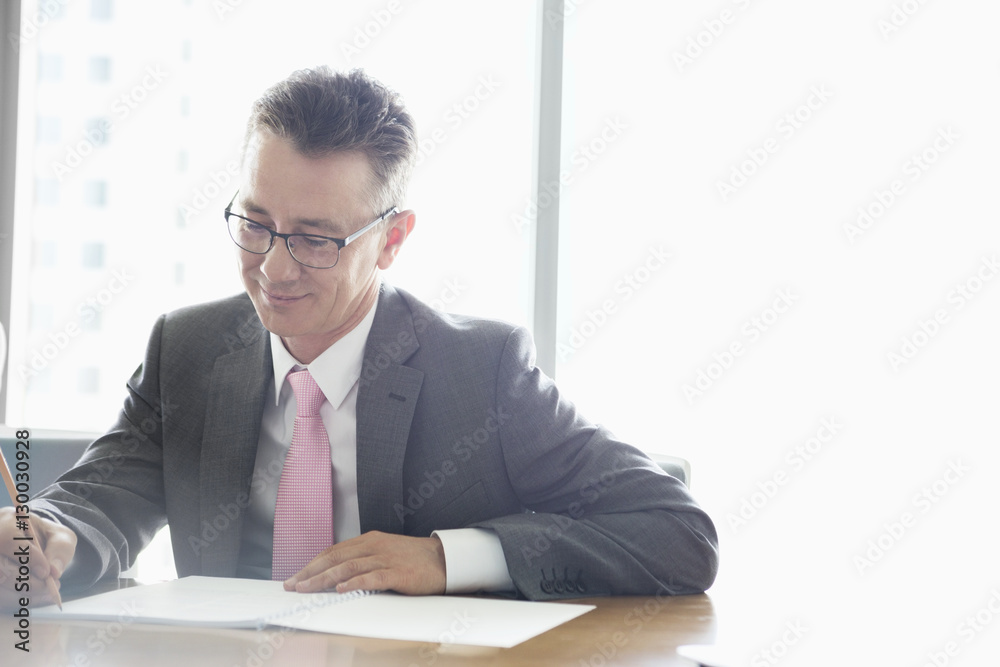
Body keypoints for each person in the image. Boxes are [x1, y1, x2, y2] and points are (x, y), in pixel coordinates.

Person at [0, 67, 718, 609]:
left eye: (316, 239)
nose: (273, 268)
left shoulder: (483, 371)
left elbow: (676, 532)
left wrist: (448, 559)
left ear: (392, 240)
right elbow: (98, 498)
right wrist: (51, 536)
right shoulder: (187, 348)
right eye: (255, 224)